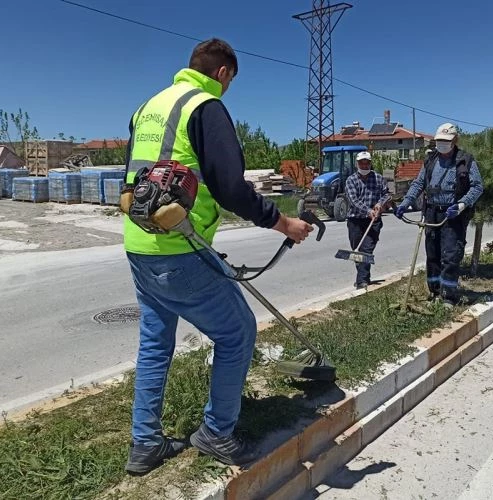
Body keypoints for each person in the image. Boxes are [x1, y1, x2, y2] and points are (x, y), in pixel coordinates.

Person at [121, 39, 313, 474]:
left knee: (155, 342)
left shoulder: (147, 107)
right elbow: (230, 187)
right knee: (238, 332)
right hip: (180, 248)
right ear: (223, 73)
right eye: (231, 81)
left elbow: (131, 178)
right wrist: (284, 224)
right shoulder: (205, 106)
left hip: (139, 244)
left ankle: (144, 443)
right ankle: (216, 433)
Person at [394, 123, 483, 305]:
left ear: (455, 141)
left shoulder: (465, 161)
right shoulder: (431, 160)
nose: (441, 144)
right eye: (439, 141)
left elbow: (477, 187)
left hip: (453, 215)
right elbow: (419, 184)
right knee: (432, 255)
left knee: (450, 256)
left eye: (446, 141)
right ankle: (434, 293)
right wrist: (405, 203)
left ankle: (448, 297)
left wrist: (462, 205)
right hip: (432, 213)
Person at [344, 151, 390, 289]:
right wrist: (368, 210)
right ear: (357, 164)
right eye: (361, 163)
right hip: (355, 220)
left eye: (367, 162)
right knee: (357, 252)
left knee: (366, 250)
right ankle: (364, 277)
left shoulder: (378, 178)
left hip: (373, 221)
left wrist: (380, 204)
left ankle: (361, 281)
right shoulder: (351, 180)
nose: (364, 165)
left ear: (370, 163)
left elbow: (386, 194)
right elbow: (353, 200)